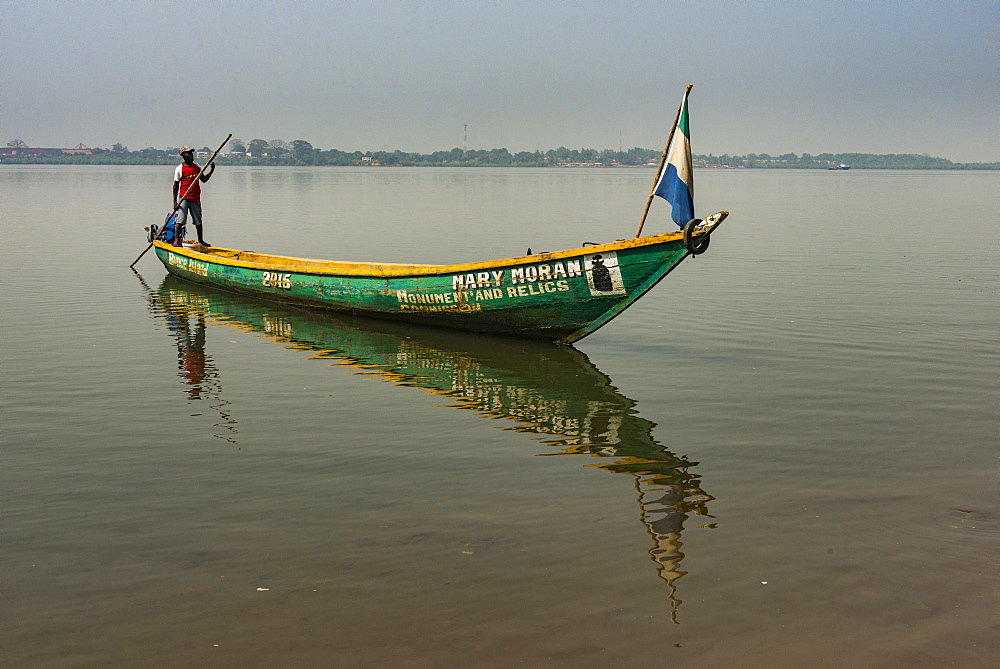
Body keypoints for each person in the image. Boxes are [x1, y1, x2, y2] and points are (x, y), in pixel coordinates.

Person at [172, 146, 216, 247]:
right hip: (184, 198)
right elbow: (175, 185)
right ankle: (176, 240)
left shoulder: (197, 167)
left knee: (198, 221)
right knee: (180, 220)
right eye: (188, 153)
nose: (191, 155)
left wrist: (211, 170)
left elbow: (204, 179)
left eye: (191, 153)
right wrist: (175, 202)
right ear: (183, 155)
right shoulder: (180, 169)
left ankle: (201, 240)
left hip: (195, 198)